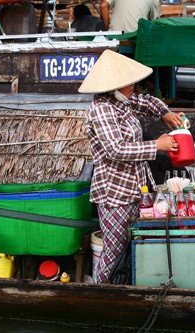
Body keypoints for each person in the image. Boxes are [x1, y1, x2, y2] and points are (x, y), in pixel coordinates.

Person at [78, 49, 185, 283]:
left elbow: (146, 102)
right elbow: (115, 149)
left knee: (135, 243)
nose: (133, 88)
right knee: (114, 250)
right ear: (113, 86)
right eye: (128, 85)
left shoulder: (124, 100)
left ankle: (129, 287)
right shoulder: (101, 108)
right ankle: (102, 291)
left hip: (137, 187)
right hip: (115, 192)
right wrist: (157, 145)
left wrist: (165, 113)